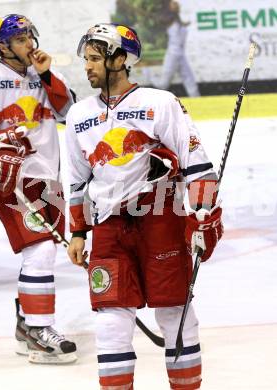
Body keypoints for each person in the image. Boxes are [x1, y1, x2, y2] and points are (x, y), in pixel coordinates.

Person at [66, 23, 223, 389]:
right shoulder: (78, 115)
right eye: (85, 59)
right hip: (108, 226)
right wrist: (77, 231)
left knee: (175, 314)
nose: (86, 67)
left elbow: (196, 164)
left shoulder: (159, 103)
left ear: (120, 59)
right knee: (109, 319)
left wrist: (204, 217)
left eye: (94, 59)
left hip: (161, 220)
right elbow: (76, 179)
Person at [0, 14, 77, 364]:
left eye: (30, 37)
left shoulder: (44, 73)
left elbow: (69, 112)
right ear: (4, 46)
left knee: (41, 251)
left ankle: (26, 324)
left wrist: (47, 75)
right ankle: (40, 329)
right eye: (21, 39)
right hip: (7, 179)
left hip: (46, 178)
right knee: (40, 251)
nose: (30, 44)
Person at [148, 0, 200, 97]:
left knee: (189, 79)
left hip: (181, 54)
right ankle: (148, 76)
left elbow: (179, 21)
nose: (176, 7)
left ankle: (198, 100)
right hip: (172, 54)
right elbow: (163, 19)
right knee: (163, 84)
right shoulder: (170, 19)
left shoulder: (178, 20)